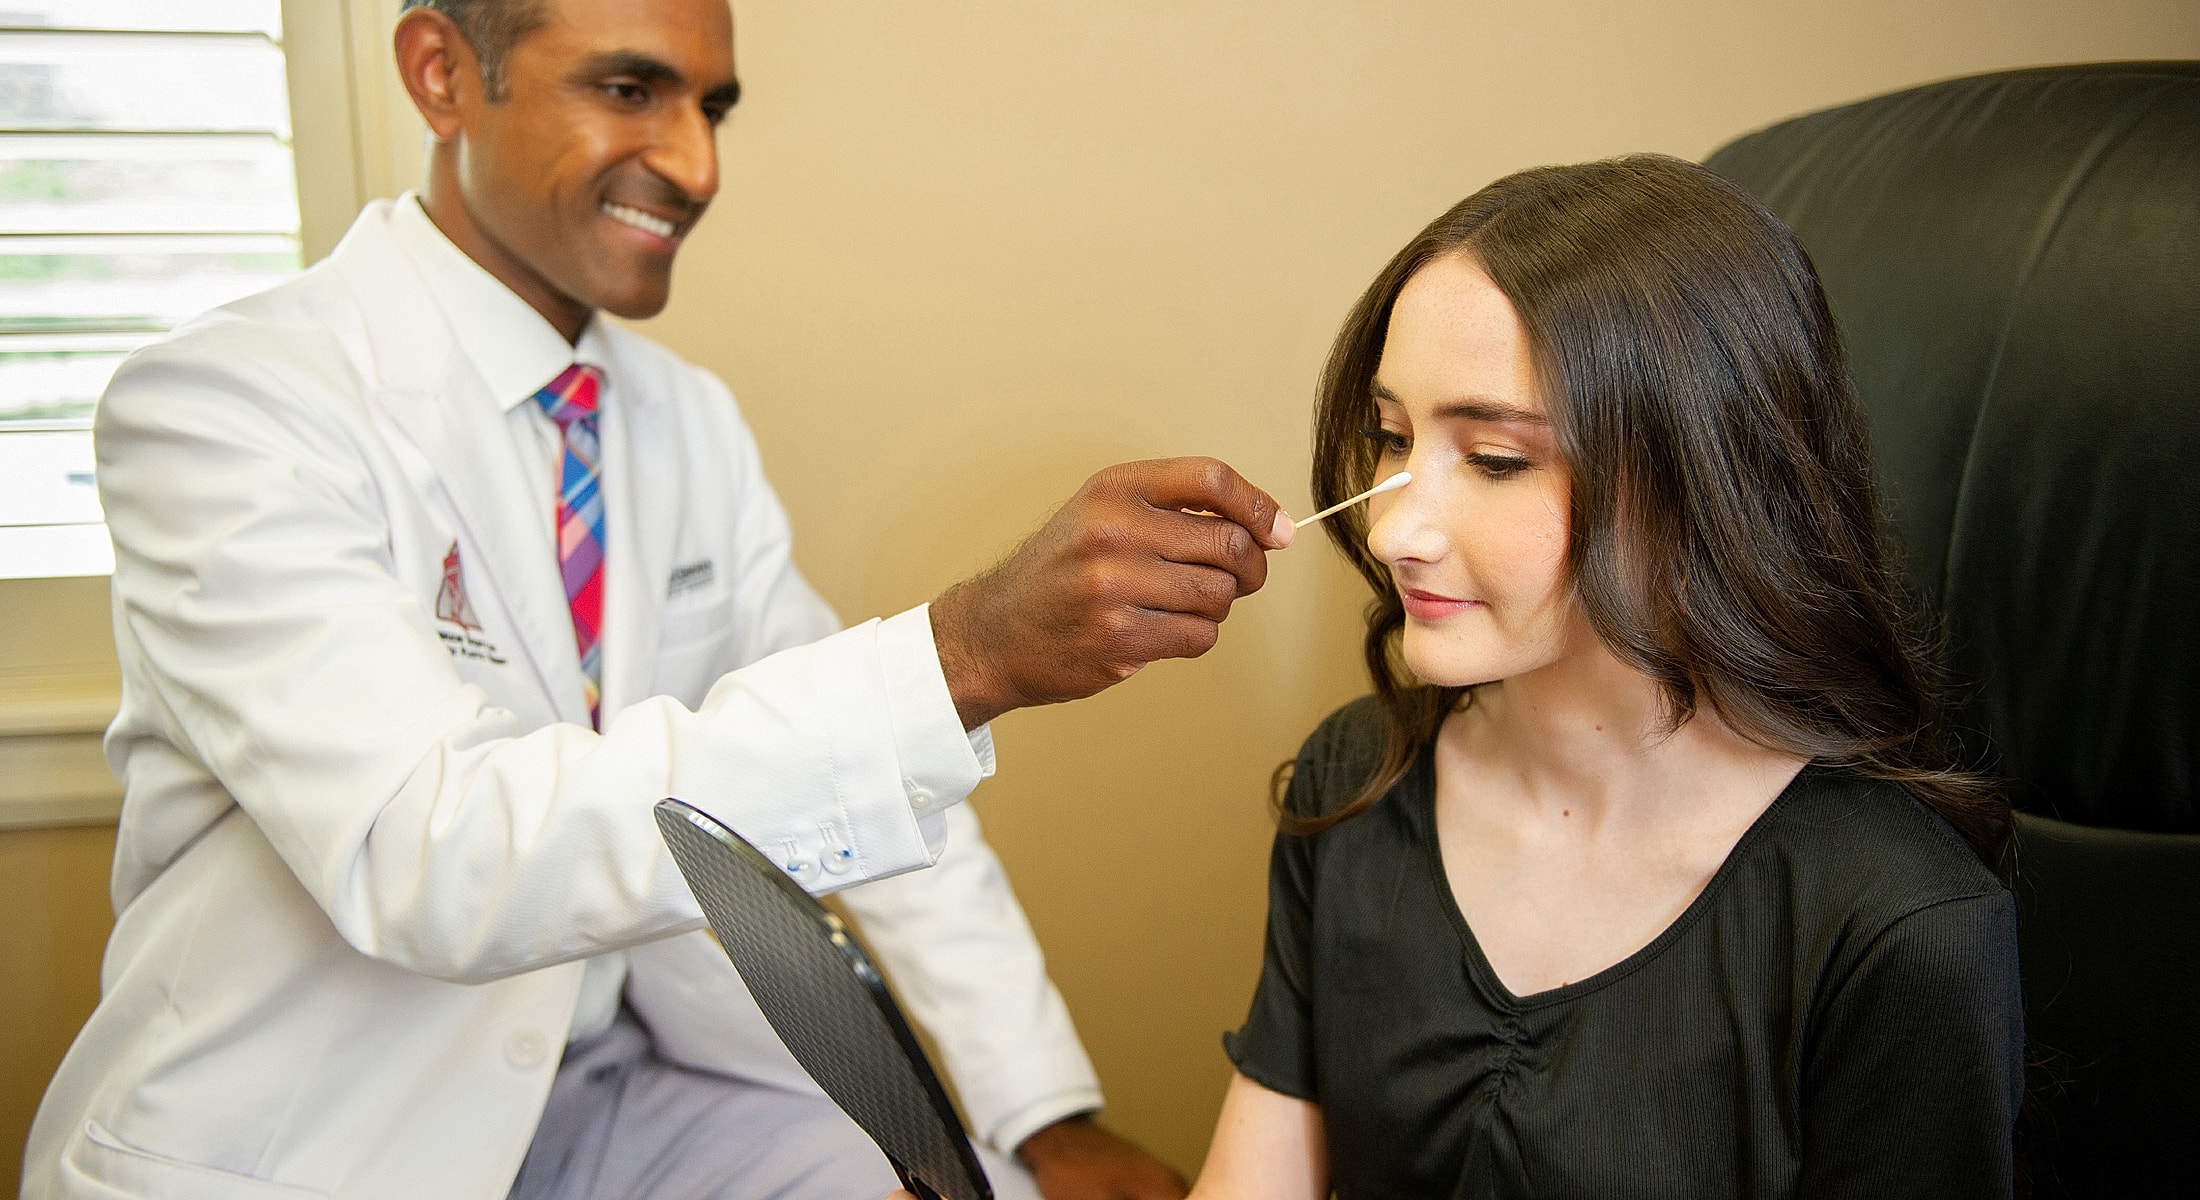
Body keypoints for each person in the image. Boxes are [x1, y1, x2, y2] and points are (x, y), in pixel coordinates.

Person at [23, 0, 1294, 1196]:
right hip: (332, 1131)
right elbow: (430, 855)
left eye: (713, 107)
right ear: (439, 73)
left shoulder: (683, 421)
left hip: (630, 1091)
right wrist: (965, 653)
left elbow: (875, 784)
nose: (693, 164)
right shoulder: (230, 408)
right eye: (628, 89)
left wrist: (1039, 1115)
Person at [1191, 156, 2024, 1198]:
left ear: (1700, 478)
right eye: (1391, 438)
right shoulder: (1357, 780)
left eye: (1495, 459)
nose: (1394, 526)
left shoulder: (1896, 923)